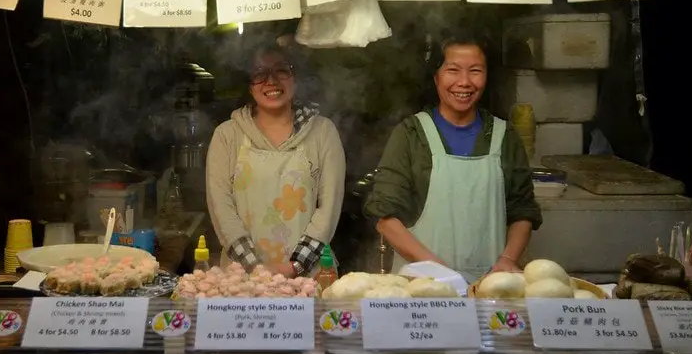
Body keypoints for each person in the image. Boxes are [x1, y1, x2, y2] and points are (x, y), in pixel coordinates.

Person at [364, 32, 541, 280]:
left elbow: (522, 211)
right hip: (422, 285)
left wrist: (508, 260)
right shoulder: (411, 134)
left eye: (475, 71)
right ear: (436, 77)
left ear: (487, 75)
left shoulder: (505, 135)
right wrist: (440, 272)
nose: (464, 82)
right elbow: (385, 218)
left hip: (490, 284)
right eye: (453, 70)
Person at [206, 45, 345, 277]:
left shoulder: (323, 132)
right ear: (249, 86)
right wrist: (256, 268)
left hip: (310, 274)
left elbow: (329, 209)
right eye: (259, 73)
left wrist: (295, 266)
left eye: (281, 70)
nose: (271, 81)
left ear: (296, 79)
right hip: (242, 276)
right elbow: (221, 208)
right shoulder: (227, 135)